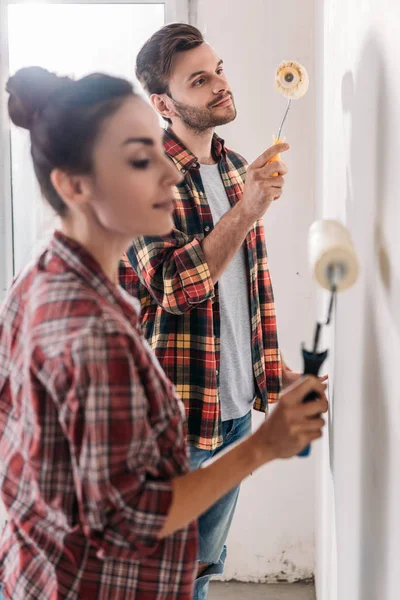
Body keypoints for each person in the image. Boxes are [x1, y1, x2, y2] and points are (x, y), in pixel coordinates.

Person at [0, 66, 328, 600]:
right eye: (139, 160)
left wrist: (271, 373)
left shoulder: (39, 275)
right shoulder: (94, 335)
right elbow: (132, 521)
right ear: (73, 185)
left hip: (36, 568)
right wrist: (265, 446)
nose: (171, 176)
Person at [120, 24, 326, 599]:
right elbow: (171, 285)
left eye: (219, 69)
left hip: (233, 408)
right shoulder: (141, 173)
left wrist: (272, 370)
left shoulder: (237, 166)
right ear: (163, 103)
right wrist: (247, 209)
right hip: (175, 418)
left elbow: (250, 287)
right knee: (159, 579)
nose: (219, 85)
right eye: (199, 79)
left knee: (204, 569)